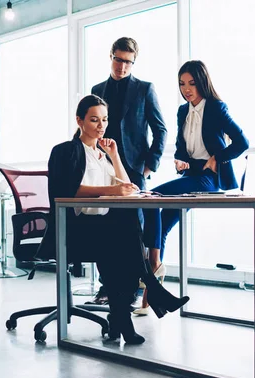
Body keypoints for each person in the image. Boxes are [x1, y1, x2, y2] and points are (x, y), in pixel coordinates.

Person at [38, 95, 188, 344]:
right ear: (79, 120)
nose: (101, 126)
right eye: (94, 119)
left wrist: (115, 155)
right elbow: (64, 190)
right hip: (74, 229)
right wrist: (108, 192)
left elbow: (125, 185)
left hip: (103, 229)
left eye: (104, 120)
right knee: (126, 235)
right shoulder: (66, 150)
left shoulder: (103, 155)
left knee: (124, 234)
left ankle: (123, 317)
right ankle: (144, 296)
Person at [135, 60, 249, 315]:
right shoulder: (181, 112)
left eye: (192, 83)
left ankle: (152, 268)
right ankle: (151, 296)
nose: (186, 89)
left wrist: (217, 158)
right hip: (190, 176)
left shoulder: (217, 108)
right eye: (181, 84)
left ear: (202, 82)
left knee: (152, 196)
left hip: (209, 179)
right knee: (161, 224)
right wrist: (178, 159)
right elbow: (179, 145)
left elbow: (242, 141)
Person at [89, 37, 168, 306]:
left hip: (134, 168)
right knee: (105, 226)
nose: (122, 66)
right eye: (118, 59)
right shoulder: (97, 89)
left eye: (128, 62)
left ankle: (134, 286)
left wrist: (150, 164)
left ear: (134, 63)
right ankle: (107, 286)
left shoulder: (145, 89)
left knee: (134, 228)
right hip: (103, 168)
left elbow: (161, 129)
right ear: (110, 56)